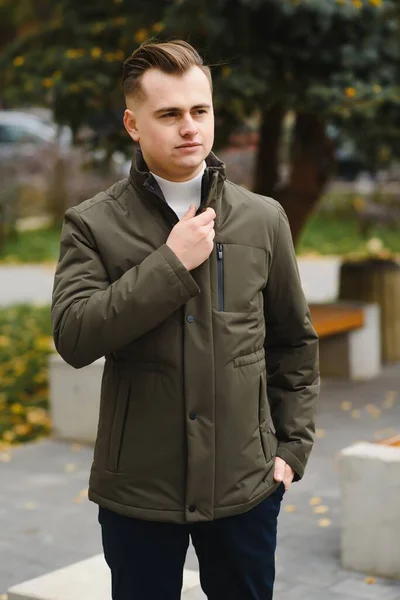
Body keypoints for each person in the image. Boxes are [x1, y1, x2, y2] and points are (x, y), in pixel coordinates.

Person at [51, 39, 319, 600]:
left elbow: (294, 342)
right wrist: (170, 263)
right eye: (169, 114)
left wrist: (291, 449)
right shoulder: (91, 224)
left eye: (200, 111)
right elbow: (75, 336)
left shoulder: (263, 218)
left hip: (245, 488)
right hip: (139, 493)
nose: (189, 127)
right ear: (132, 123)